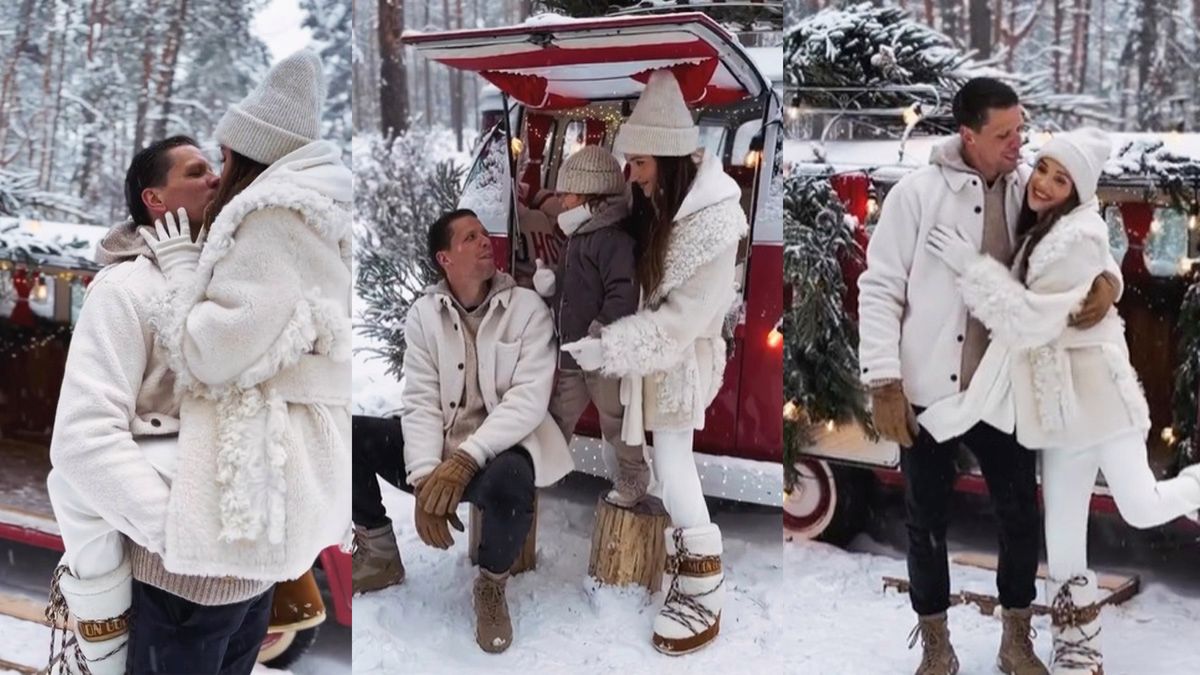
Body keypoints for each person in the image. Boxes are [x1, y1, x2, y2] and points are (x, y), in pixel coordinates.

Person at [857, 78, 1122, 675]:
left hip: (1002, 393)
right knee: (925, 519)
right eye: (1005, 134)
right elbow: (878, 289)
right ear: (968, 135)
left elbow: (1082, 228)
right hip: (927, 392)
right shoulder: (917, 195)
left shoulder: (1027, 187)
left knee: (1018, 515)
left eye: (1021, 129)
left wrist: (1108, 282)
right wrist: (883, 380)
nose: (1018, 142)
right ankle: (936, 643)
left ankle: (1015, 639)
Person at [918, 127, 1200, 674]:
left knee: (1140, 505)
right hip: (1058, 406)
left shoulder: (1081, 239)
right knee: (1064, 534)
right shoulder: (1044, 226)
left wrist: (968, 267)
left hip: (1099, 397)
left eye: (1060, 176)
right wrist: (1111, 280)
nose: (1044, 182)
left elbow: (1026, 321)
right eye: (1043, 167)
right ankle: (1077, 641)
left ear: (1079, 189)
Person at [135, 48, 352, 673]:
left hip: (240, 505)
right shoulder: (316, 213)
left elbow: (210, 349)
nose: (218, 173)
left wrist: (179, 271)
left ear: (252, 155)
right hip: (281, 488)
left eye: (224, 158)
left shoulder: (268, 219)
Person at [561, 69, 747, 655]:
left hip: (679, 363)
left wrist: (610, 347)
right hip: (653, 361)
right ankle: (687, 572)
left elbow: (679, 323)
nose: (631, 174)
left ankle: (704, 588)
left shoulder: (714, 227)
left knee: (673, 466)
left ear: (666, 158)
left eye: (639, 162)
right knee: (665, 467)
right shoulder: (661, 207)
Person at [351, 208, 573, 654]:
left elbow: (527, 402)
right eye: (469, 238)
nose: (484, 242)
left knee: (514, 481)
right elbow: (421, 401)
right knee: (350, 434)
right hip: (440, 451)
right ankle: (378, 552)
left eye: (483, 234)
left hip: (497, 452)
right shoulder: (423, 316)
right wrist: (424, 476)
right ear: (445, 258)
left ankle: (491, 585)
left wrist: (466, 459)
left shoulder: (527, 309)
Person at [45, 136, 220, 675]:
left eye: (214, 166)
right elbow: (83, 439)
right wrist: (184, 535)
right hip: (169, 580)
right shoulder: (123, 289)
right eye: (196, 171)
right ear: (156, 200)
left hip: (244, 587)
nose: (214, 177)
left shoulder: (229, 276)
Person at [533, 145, 647, 507]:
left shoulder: (612, 239)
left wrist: (601, 331)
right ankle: (537, 467)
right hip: (572, 350)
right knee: (557, 415)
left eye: (568, 193)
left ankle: (633, 477)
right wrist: (552, 283)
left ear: (589, 194)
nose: (562, 200)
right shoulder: (578, 234)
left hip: (601, 353)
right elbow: (575, 289)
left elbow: (622, 292)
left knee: (615, 420)